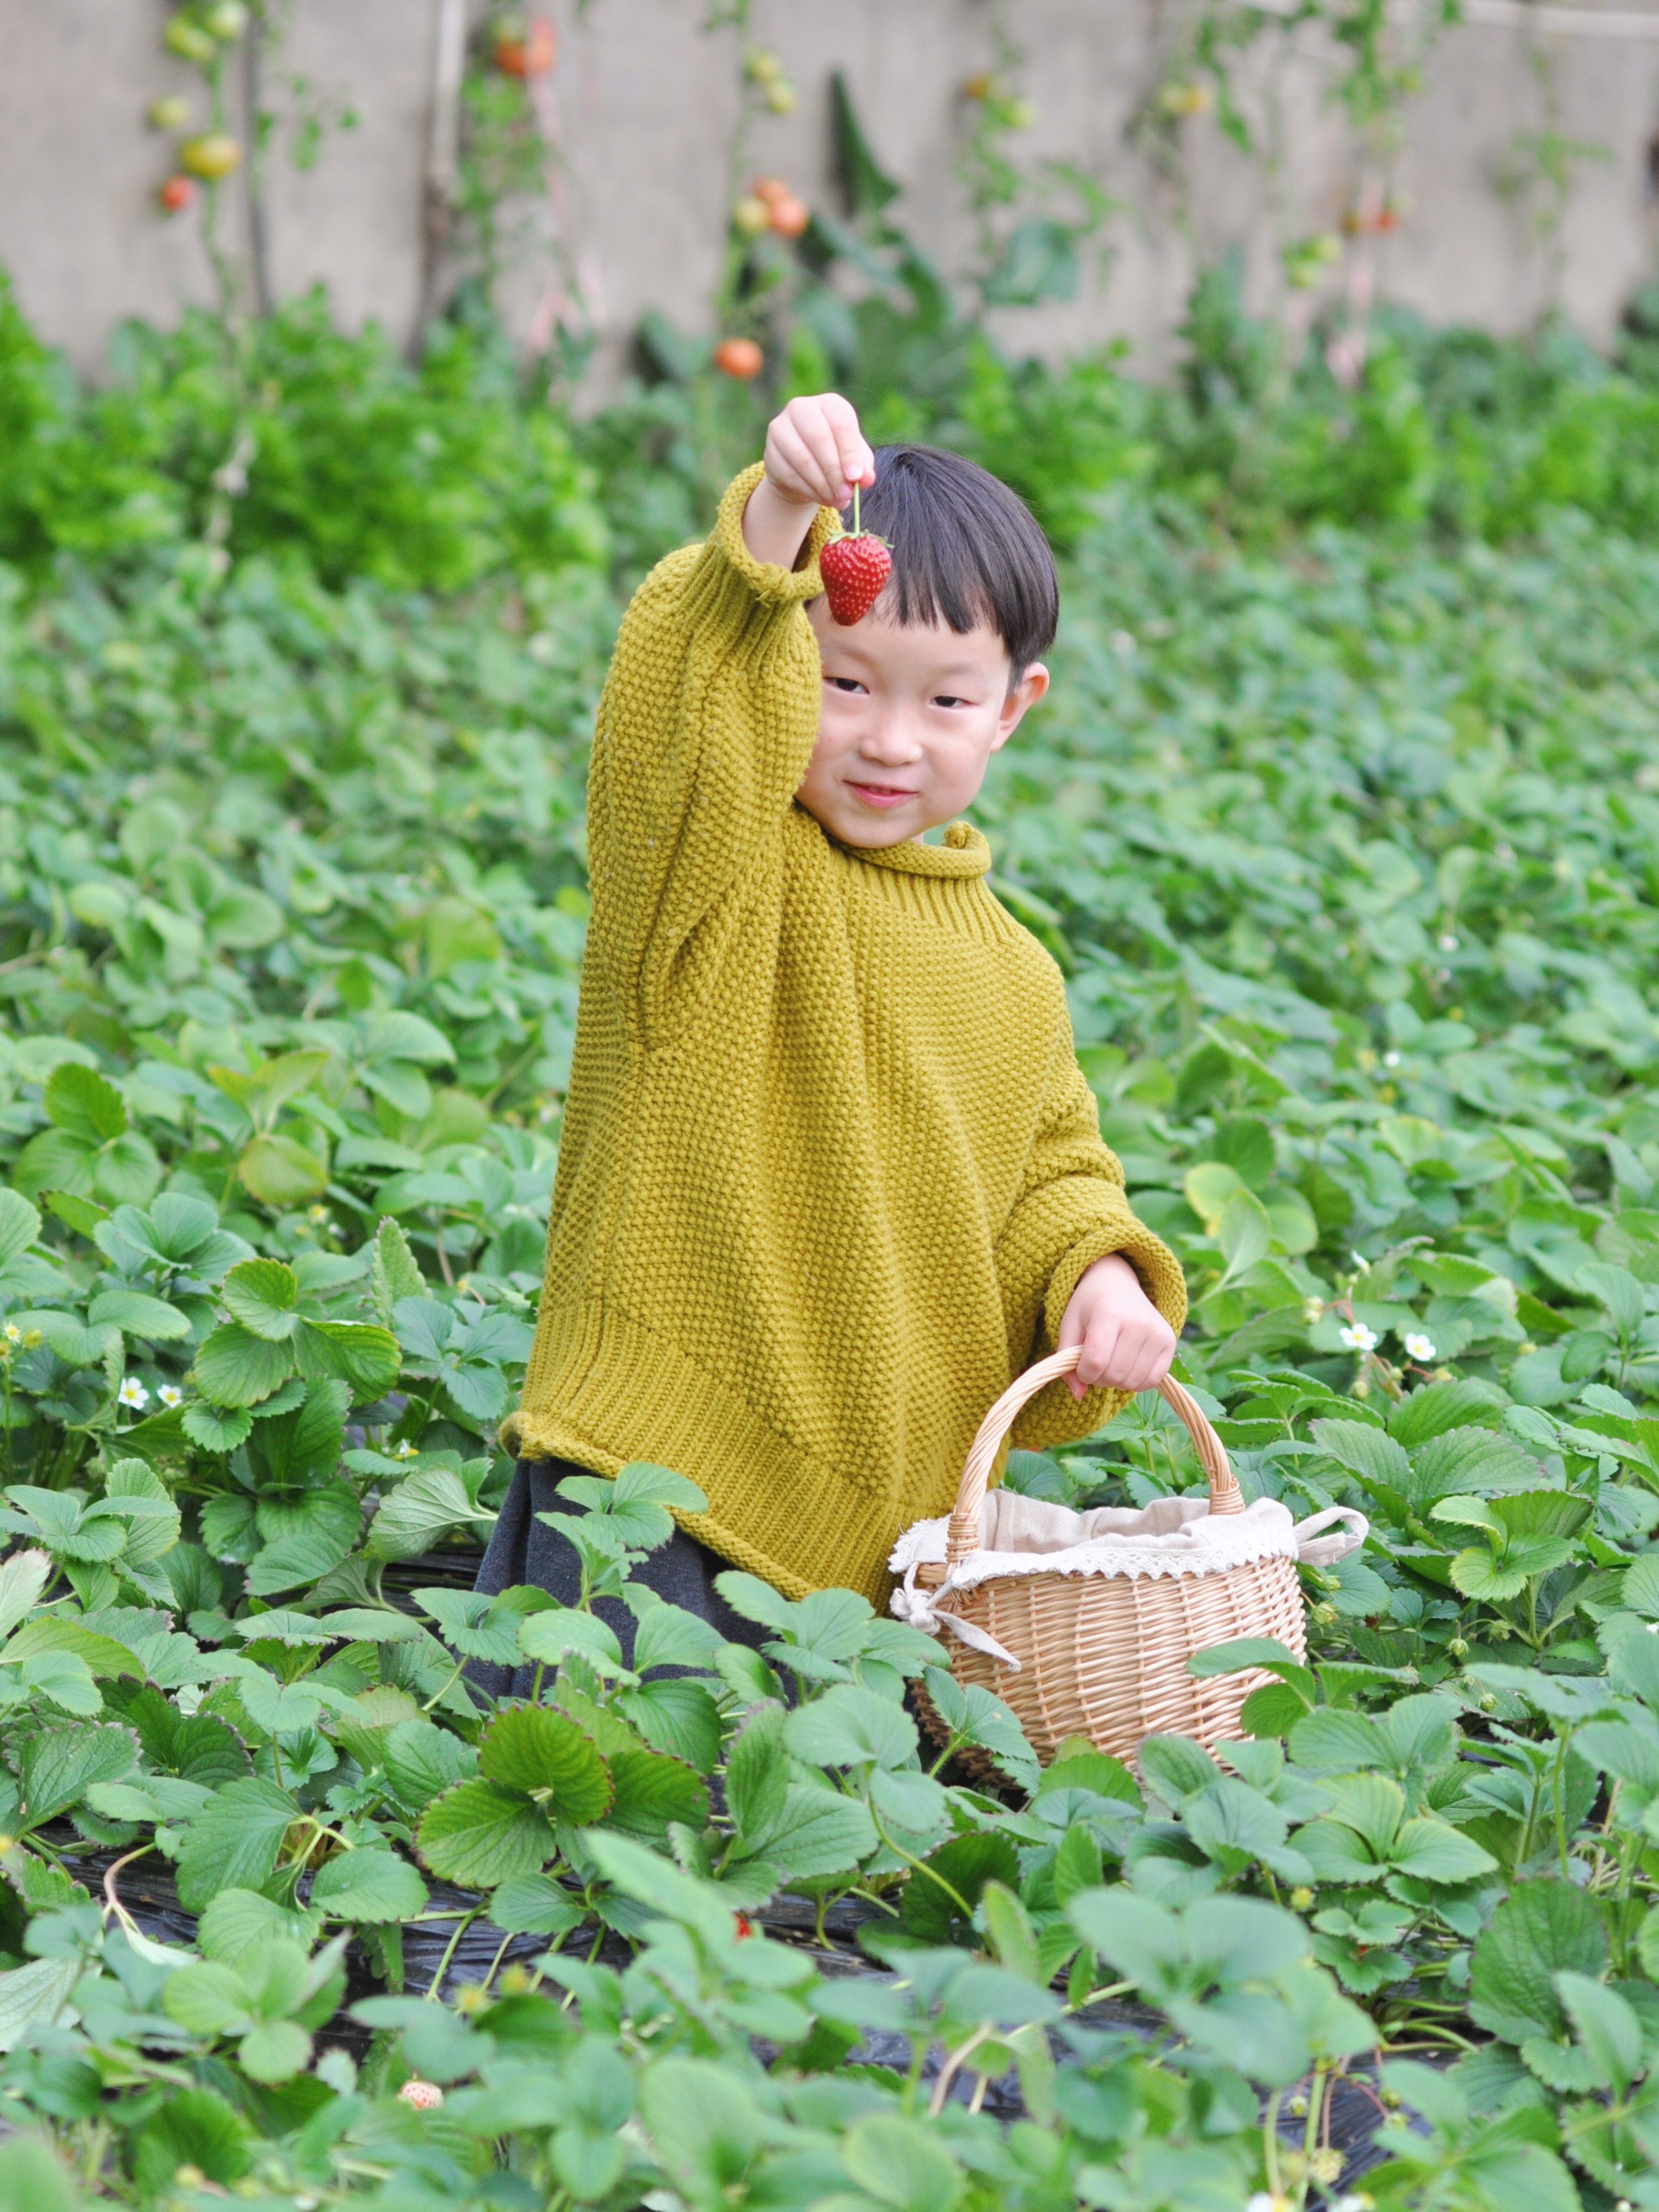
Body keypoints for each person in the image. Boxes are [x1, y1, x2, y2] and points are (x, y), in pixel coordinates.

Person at [471, 392, 1186, 1685]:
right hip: (655, 1469)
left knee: (813, 1843)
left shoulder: (1015, 975)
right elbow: (676, 714)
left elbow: (1048, 1175)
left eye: (945, 700)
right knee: (621, 1803)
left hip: (888, 1545)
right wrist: (779, 521)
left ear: (1013, 706)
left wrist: (1099, 1276)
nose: (887, 739)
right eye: (842, 681)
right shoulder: (713, 870)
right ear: (781, 665)